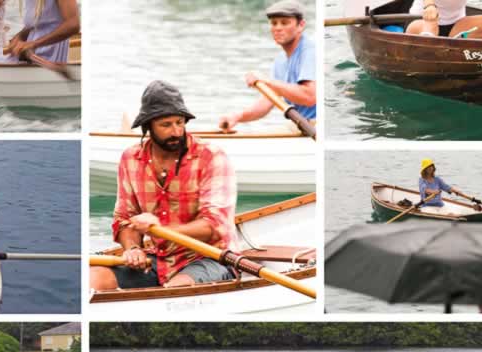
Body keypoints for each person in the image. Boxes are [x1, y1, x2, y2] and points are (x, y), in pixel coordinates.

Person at [89, 81, 237, 290]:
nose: (176, 131)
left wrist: (159, 229)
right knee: (93, 279)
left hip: (210, 256)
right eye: (166, 125)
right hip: (157, 258)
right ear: (148, 126)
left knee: (176, 289)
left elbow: (214, 226)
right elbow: (124, 219)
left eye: (180, 122)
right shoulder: (131, 158)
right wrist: (133, 248)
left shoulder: (211, 157)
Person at [218, 0, 316, 132]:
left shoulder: (310, 51)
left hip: (316, 125)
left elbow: (309, 97)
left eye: (285, 22)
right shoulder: (280, 60)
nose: (278, 28)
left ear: (301, 25)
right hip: (301, 125)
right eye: (274, 23)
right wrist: (238, 117)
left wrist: (266, 81)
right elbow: (267, 101)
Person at [5, 0, 80, 62]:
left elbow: (73, 25)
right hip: (30, 56)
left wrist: (34, 44)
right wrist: (20, 36)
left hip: (48, 59)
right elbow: (37, 25)